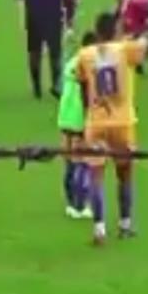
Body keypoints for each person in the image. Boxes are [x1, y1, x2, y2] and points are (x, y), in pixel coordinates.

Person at [74, 13, 148, 245]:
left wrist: (87, 117)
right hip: (123, 122)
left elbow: (82, 88)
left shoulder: (85, 55)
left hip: (96, 122)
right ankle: (125, 224)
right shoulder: (125, 50)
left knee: (96, 176)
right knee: (124, 174)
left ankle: (99, 229)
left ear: (97, 32)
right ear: (115, 30)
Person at [12, 0, 69, 99]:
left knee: (34, 52)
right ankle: (56, 85)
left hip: (34, 18)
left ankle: (37, 87)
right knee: (55, 53)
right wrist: (69, 17)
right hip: (53, 17)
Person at [58, 31, 98, 220]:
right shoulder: (88, 65)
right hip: (79, 116)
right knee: (82, 160)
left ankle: (71, 203)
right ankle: (80, 205)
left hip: (65, 116)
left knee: (69, 160)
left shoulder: (71, 62)